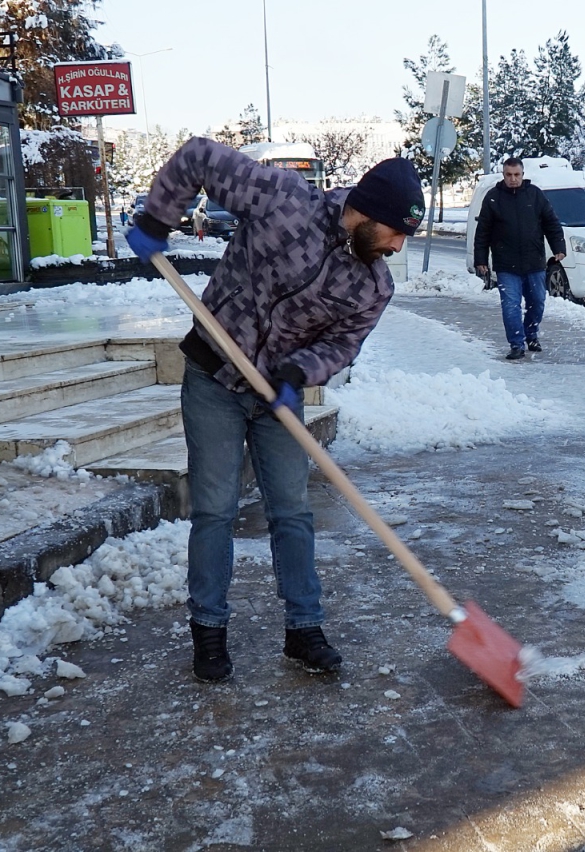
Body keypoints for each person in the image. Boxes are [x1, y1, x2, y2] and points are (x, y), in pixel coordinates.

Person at [125, 137, 425, 682]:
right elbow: (197, 157)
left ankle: (304, 629)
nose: (399, 247)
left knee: (293, 512)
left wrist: (299, 372)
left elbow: (342, 345)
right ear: (368, 213)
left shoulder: (373, 285)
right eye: (396, 232)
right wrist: (157, 219)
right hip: (213, 377)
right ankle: (209, 632)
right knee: (215, 509)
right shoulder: (284, 200)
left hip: (276, 397)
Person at [473, 157, 566, 360]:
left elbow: (552, 222)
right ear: (503, 175)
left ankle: (531, 335)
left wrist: (558, 247)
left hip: (534, 263)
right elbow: (483, 232)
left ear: (523, 175)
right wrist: (480, 260)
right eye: (509, 175)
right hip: (506, 265)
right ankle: (516, 344)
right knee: (510, 305)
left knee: (537, 302)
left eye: (517, 175)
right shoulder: (493, 198)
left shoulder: (535, 195)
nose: (513, 179)